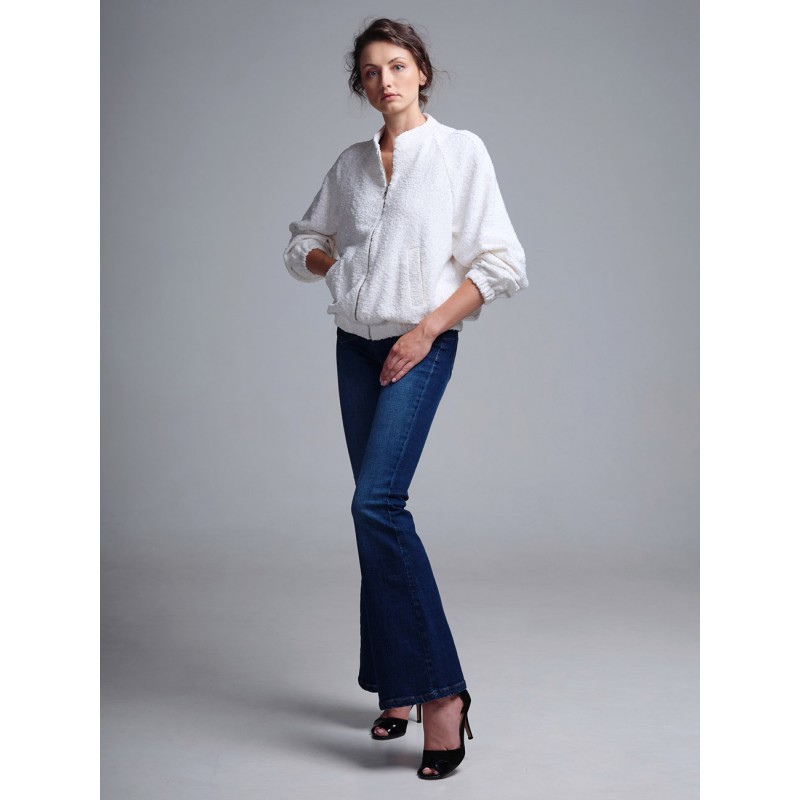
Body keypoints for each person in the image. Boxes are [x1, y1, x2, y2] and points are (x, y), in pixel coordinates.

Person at [283, 17, 528, 780]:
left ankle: (442, 692)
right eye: (369, 72)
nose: (384, 81)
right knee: (372, 512)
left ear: (421, 70)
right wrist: (332, 265)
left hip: (418, 344)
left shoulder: (459, 152)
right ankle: (397, 684)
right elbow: (302, 240)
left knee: (376, 505)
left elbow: (502, 264)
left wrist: (425, 332)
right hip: (354, 348)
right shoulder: (353, 164)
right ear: (359, 85)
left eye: (396, 65)